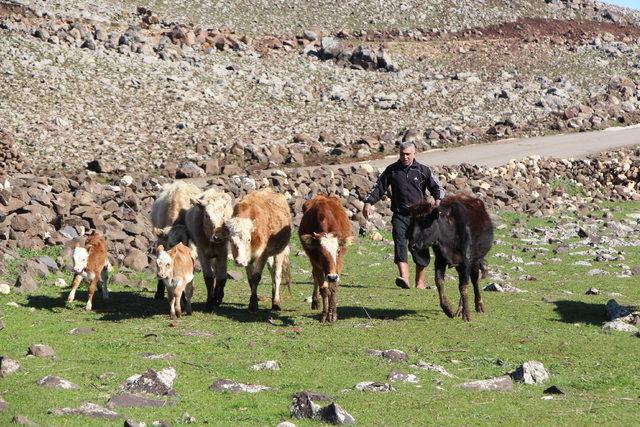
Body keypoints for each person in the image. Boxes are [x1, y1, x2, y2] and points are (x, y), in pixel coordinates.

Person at [362, 141, 445, 289]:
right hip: (400, 215)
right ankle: (404, 277)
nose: (405, 157)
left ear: (414, 154)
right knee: (399, 242)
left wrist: (439, 200)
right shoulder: (392, 170)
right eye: (402, 154)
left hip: (420, 217)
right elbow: (378, 188)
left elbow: (436, 187)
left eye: (408, 154)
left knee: (419, 247)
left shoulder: (423, 170)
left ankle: (420, 282)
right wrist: (369, 203)